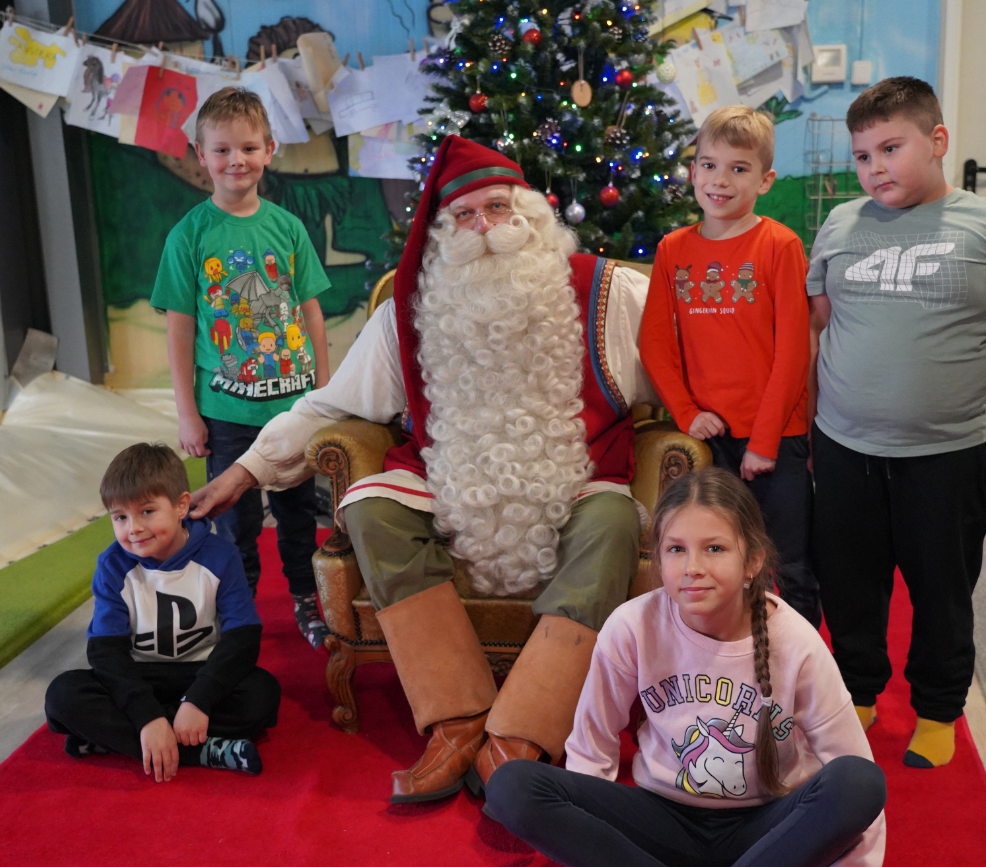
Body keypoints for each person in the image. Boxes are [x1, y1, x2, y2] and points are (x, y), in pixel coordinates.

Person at [188, 135, 657, 804]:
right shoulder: (408, 315)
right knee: (371, 505)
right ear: (442, 233)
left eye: (496, 208)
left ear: (528, 212)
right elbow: (329, 404)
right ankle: (457, 718)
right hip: (448, 480)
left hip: (576, 482)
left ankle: (521, 734)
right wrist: (247, 469)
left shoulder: (608, 293)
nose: (484, 228)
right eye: (463, 217)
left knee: (612, 520)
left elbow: (680, 367)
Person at [808, 77, 986, 767]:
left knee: (941, 587)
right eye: (862, 155)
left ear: (937, 141)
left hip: (947, 455)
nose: (875, 166)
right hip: (845, 445)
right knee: (848, 581)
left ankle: (938, 706)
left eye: (891, 147)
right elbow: (811, 325)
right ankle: (855, 688)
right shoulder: (841, 225)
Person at [486, 468, 887, 867]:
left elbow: (848, 765)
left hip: (766, 830)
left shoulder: (796, 641)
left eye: (714, 548)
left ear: (752, 561)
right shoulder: (631, 625)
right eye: (676, 549)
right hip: (660, 818)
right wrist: (592, 836)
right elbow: (592, 745)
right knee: (512, 786)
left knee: (860, 783)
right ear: (658, 558)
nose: (692, 567)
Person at [150, 87, 332, 650]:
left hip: (294, 406)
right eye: (222, 150)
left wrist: (325, 391)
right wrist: (188, 413)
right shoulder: (189, 236)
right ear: (200, 156)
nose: (237, 161)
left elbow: (310, 311)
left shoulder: (288, 229)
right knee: (235, 520)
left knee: (299, 513)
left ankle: (305, 595)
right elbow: (179, 329)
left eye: (248, 148)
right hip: (227, 410)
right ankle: (239, 608)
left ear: (270, 150)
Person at [641, 105, 820, 628]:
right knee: (721, 560)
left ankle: (793, 677)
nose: (720, 180)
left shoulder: (780, 245)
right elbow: (654, 343)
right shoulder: (673, 249)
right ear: (693, 171)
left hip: (776, 438)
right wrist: (686, 411)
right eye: (708, 164)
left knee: (790, 564)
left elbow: (793, 350)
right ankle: (730, 659)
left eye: (738, 169)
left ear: (764, 179)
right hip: (709, 437)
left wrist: (764, 440)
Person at [44, 443, 281, 781]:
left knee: (262, 693)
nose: (134, 528)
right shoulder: (112, 565)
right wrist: (147, 717)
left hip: (201, 674)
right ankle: (201, 750)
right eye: (120, 517)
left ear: (181, 505)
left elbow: (242, 639)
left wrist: (198, 701)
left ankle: (117, 741)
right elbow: (106, 652)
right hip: (140, 677)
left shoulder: (221, 556)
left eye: (147, 512)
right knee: (63, 695)